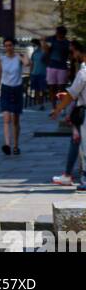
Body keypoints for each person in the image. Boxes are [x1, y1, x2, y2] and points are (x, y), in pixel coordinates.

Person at [50, 39, 86, 188]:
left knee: (84, 147)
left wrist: (58, 109)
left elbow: (72, 94)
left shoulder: (83, 73)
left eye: (74, 51)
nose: (73, 54)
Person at [0, 37, 27, 156]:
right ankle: (7, 145)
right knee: (6, 118)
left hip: (17, 89)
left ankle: (16, 145)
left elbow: (27, 64)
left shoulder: (19, 57)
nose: (8, 47)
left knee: (15, 120)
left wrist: (24, 55)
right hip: (5, 89)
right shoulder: (1, 59)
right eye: (6, 45)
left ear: (14, 46)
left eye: (10, 45)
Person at [46, 24, 72, 107]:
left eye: (59, 33)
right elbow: (44, 40)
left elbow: (71, 56)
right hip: (51, 66)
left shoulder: (67, 43)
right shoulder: (52, 39)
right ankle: (53, 106)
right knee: (51, 87)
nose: (57, 34)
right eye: (57, 33)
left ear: (63, 34)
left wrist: (70, 69)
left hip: (62, 68)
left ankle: (62, 106)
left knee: (61, 88)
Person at [29, 37, 49, 109]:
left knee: (42, 90)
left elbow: (47, 62)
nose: (33, 47)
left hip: (42, 74)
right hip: (34, 74)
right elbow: (32, 64)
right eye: (32, 45)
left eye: (34, 45)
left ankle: (42, 103)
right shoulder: (34, 53)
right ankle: (38, 103)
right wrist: (30, 74)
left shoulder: (44, 52)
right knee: (36, 90)